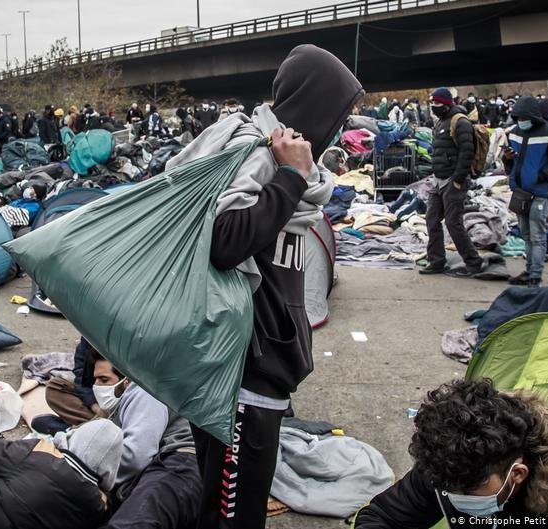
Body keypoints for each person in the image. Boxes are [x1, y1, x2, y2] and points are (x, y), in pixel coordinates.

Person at [164, 44, 362, 529]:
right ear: (315, 106)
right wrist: (291, 176)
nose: (340, 125)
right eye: (339, 112)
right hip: (242, 376)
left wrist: (296, 175)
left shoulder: (289, 165)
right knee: (233, 514)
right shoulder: (260, 154)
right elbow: (225, 240)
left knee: (234, 503)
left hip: (262, 369)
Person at [353, 379, 548, 528]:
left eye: (469, 490)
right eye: (446, 487)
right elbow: (381, 517)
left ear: (517, 474)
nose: (454, 496)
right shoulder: (449, 467)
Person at [90, 351, 202, 529]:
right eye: (95, 379)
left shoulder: (145, 386)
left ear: (125, 377)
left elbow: (137, 455)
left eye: (104, 380)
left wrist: (90, 477)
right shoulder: (118, 406)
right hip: (160, 468)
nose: (96, 386)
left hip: (180, 460)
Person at [503, 96, 548, 288]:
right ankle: (529, 270)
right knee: (526, 235)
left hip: (539, 192)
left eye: (524, 117)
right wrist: (507, 158)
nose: (521, 121)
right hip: (520, 191)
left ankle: (535, 275)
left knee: (537, 236)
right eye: (518, 118)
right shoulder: (514, 133)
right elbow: (511, 163)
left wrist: (540, 176)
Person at [420, 87, 484, 277]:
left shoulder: (460, 122)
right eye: (432, 103)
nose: (434, 106)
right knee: (432, 219)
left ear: (447, 104)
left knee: (453, 223)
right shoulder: (441, 121)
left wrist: (457, 180)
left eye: (437, 103)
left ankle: (473, 263)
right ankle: (437, 261)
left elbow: (467, 152)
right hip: (438, 180)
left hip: (452, 181)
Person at [46, 337, 103, 427]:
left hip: (120, 398)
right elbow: (81, 378)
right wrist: (95, 406)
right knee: (55, 387)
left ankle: (83, 428)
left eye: (103, 379)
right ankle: (97, 423)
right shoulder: (89, 339)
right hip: (96, 400)